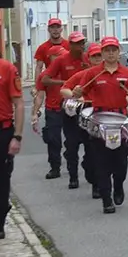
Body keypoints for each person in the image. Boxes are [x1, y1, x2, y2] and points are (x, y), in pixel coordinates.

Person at [70, 37, 128, 213]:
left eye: (113, 49)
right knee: (101, 162)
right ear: (103, 53)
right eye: (107, 50)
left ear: (118, 51)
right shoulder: (93, 73)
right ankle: (106, 200)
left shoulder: (126, 73)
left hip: (120, 120)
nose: (110, 53)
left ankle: (118, 184)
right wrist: (77, 92)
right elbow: (80, 92)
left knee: (121, 161)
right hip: (100, 120)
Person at [42, 33, 94, 191]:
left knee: (90, 143)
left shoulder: (88, 59)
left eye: (83, 43)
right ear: (70, 45)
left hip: (88, 106)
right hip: (70, 106)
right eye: (78, 43)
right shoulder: (61, 60)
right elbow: (44, 79)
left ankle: (88, 165)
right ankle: (72, 176)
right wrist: (65, 83)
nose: (81, 46)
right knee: (70, 143)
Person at [0, 42, 24, 246]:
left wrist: (17, 136)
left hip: (1, 133)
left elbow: (18, 103)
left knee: (1, 180)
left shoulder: (6, 69)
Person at [59, 43, 104, 200]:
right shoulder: (83, 75)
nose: (97, 59)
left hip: (103, 115)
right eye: (94, 56)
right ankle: (87, 177)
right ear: (89, 58)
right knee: (81, 148)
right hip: (84, 114)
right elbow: (64, 89)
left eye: (100, 55)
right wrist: (76, 96)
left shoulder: (110, 74)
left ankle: (99, 184)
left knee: (99, 152)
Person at [36, 43, 70, 181]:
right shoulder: (45, 75)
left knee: (74, 139)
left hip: (69, 110)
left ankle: (70, 153)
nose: (62, 58)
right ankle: (55, 167)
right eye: (59, 56)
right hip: (53, 110)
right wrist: (35, 111)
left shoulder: (68, 71)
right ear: (51, 58)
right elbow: (39, 95)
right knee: (53, 140)